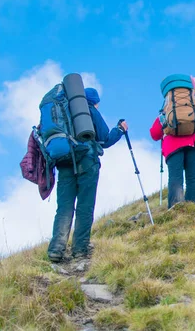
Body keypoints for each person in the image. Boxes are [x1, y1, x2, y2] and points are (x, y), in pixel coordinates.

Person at [47, 88, 128, 262]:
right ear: (94, 101)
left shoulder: (62, 112)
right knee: (85, 205)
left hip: (64, 162)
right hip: (87, 161)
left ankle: (56, 249)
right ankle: (79, 250)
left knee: (64, 207)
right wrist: (119, 130)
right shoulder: (89, 110)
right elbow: (105, 139)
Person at [150, 117, 195, 208]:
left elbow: (154, 134)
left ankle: (176, 209)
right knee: (192, 178)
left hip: (172, 146)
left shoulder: (165, 114)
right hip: (194, 145)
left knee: (175, 179)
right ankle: (193, 207)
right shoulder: (194, 111)